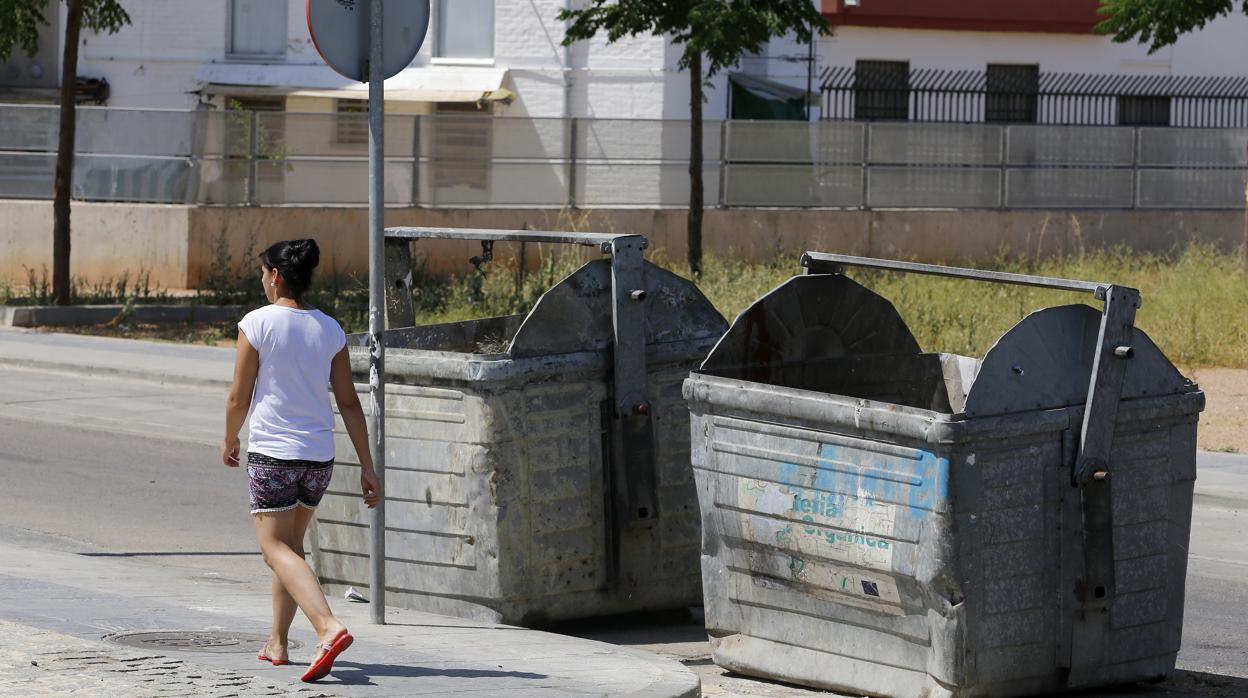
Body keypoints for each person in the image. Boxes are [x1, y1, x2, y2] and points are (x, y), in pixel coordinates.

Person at [221, 239, 381, 683]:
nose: (262, 280)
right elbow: (349, 403)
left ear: (275, 275)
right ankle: (277, 642)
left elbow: (239, 394)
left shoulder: (257, 323)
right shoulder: (329, 328)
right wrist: (368, 467)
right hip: (318, 459)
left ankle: (328, 627)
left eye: (262, 273)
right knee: (291, 548)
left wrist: (230, 437)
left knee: (274, 549)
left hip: (274, 454)